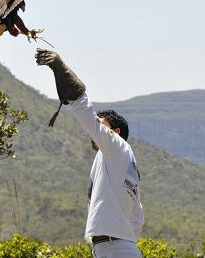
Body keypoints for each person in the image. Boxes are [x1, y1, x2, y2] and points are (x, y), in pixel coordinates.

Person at [35, 48, 144, 258]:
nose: (95, 132)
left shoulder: (117, 147)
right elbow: (137, 219)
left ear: (115, 132)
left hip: (114, 249)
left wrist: (61, 68)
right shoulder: (127, 164)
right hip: (119, 248)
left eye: (102, 126)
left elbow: (87, 117)